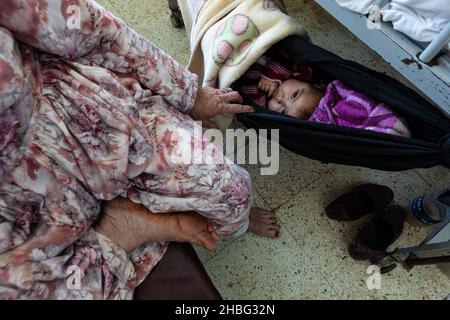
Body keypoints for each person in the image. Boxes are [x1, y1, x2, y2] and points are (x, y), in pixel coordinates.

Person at [0, 0, 280, 300]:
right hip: (22, 217)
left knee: (232, 193)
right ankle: (123, 231)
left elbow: (89, 28)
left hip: (98, 119)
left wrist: (188, 94)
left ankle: (240, 222)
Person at [239, 52, 411, 137]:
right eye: (294, 96)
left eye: (283, 111)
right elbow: (289, 52)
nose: (279, 98)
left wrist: (268, 78)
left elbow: (244, 89)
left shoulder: (262, 97)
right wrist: (275, 75)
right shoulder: (304, 73)